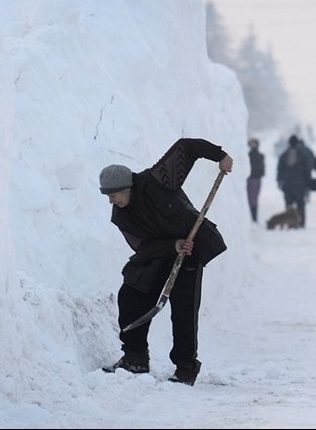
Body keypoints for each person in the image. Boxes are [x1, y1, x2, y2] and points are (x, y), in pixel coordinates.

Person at [99, 138, 234, 386]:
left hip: (193, 247)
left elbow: (186, 147)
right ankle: (135, 358)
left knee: (184, 308)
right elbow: (141, 246)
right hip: (160, 252)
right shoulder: (120, 216)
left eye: (114, 194)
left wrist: (220, 156)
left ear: (127, 187)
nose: (111, 201)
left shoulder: (158, 180)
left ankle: (185, 368)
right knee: (130, 294)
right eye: (107, 196)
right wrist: (172, 245)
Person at [276, 135, 311, 227]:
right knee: (300, 204)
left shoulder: (284, 155)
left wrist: (279, 180)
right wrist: (308, 182)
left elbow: (280, 169)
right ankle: (301, 222)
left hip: (287, 183)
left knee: (289, 204)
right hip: (300, 184)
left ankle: (290, 222)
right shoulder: (303, 155)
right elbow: (307, 170)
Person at [246, 138, 264, 223]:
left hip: (255, 178)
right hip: (253, 178)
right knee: (252, 198)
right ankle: (253, 218)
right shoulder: (251, 155)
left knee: (253, 199)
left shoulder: (258, 155)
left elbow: (261, 170)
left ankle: (254, 218)